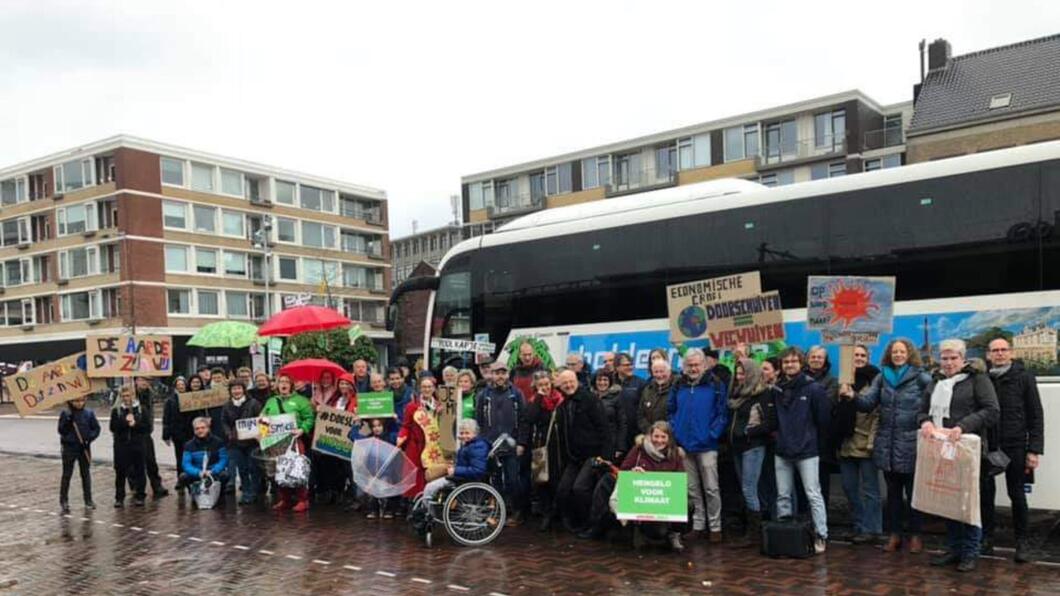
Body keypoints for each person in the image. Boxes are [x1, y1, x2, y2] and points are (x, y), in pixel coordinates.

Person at [841, 338, 931, 553]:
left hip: (912, 444)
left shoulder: (921, 378)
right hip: (888, 445)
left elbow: (932, 407)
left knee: (913, 495)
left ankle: (916, 536)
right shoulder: (882, 378)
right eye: (894, 352)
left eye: (901, 352)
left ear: (909, 354)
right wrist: (852, 395)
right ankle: (894, 535)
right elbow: (867, 404)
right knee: (892, 495)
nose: (898, 355)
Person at [921, 339, 1000, 573]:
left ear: (963, 359)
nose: (948, 362)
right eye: (944, 358)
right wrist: (925, 422)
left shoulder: (978, 379)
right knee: (949, 499)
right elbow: (921, 411)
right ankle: (954, 548)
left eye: (953, 357)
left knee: (968, 502)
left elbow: (991, 410)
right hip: (942, 450)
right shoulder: (935, 382)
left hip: (968, 450)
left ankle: (970, 551)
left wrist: (963, 426)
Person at [982, 337, 1045, 562]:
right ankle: (986, 539)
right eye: (995, 350)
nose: (999, 354)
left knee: (1017, 494)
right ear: (988, 355)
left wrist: (1034, 449)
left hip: (1016, 444)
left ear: (1011, 353)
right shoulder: (983, 378)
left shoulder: (1024, 377)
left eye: (1003, 350)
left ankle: (1022, 542)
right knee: (985, 494)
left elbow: (1035, 415)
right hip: (988, 445)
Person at [770, 347, 830, 554]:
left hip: (807, 451)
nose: (789, 365)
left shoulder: (813, 388)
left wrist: (813, 442)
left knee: (813, 495)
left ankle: (821, 535)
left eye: (793, 361)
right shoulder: (776, 388)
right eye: (786, 362)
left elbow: (823, 420)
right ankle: (785, 536)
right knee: (783, 495)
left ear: (801, 363)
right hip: (782, 450)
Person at [668, 348, 728, 543]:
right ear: (684, 366)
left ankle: (716, 527)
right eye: (689, 365)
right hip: (685, 446)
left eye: (696, 365)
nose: (693, 368)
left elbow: (722, 414)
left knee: (711, 488)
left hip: (707, 445)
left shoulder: (716, 384)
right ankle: (698, 525)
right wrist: (676, 435)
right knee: (692, 488)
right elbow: (671, 411)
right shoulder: (678, 384)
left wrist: (712, 434)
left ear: (704, 365)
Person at [833, 345, 883, 545]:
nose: (859, 358)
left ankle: (873, 529)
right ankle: (859, 525)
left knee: (871, 490)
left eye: (863, 355)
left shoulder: (875, 380)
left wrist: (872, 442)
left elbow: (878, 415)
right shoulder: (844, 381)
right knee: (849, 487)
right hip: (845, 443)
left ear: (869, 357)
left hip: (865, 443)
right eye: (855, 355)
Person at [727, 358, 777, 547]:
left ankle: (754, 533)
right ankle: (754, 528)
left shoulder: (762, 394)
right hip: (737, 447)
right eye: (738, 373)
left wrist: (748, 432)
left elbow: (770, 423)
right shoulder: (736, 394)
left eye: (743, 373)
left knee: (750, 489)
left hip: (752, 446)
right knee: (745, 488)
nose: (739, 377)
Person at [616, 421, 687, 551]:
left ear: (669, 438)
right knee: (657, 533)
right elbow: (623, 470)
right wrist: (633, 472)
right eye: (656, 436)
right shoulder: (639, 450)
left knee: (689, 505)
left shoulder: (675, 454)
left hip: (664, 502)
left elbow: (681, 480)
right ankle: (638, 529)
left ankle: (675, 533)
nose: (659, 440)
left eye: (663, 437)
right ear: (650, 436)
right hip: (643, 503)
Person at [554, 369, 607, 532]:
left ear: (577, 381)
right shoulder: (562, 406)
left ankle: (590, 523)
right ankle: (571, 521)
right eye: (565, 383)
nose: (569, 385)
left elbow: (604, 428)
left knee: (580, 488)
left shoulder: (590, 400)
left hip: (592, 455)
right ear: (560, 386)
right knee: (563, 489)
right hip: (573, 457)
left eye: (571, 382)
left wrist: (604, 456)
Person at [476, 360, 525, 525]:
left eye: (503, 373)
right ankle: (498, 512)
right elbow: (479, 421)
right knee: (494, 480)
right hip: (491, 445)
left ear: (508, 374)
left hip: (511, 444)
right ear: (492, 374)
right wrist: (483, 442)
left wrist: (521, 443)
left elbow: (524, 420)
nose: (500, 376)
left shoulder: (516, 394)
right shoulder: (484, 395)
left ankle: (517, 511)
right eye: (497, 373)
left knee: (513, 480)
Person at [261, 374, 316, 513]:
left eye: (286, 382)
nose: (283, 385)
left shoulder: (301, 401)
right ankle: (285, 499)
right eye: (281, 382)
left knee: (296, 469)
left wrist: (302, 429)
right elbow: (263, 418)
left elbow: (309, 418)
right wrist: (262, 427)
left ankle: (303, 499)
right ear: (277, 385)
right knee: (279, 470)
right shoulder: (271, 401)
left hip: (294, 439)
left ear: (291, 385)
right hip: (275, 441)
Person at [519, 371, 564, 532]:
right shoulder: (533, 401)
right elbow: (530, 418)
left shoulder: (560, 398)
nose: (545, 387)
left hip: (558, 445)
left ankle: (557, 512)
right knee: (541, 481)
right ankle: (546, 513)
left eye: (546, 384)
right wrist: (539, 397)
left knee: (557, 480)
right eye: (541, 385)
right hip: (540, 445)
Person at [421, 419, 489, 503]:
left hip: (464, 480)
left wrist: (456, 470)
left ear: (475, 433)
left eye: (467, 433)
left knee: (430, 487)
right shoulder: (470, 445)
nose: (464, 436)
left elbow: (478, 470)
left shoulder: (477, 447)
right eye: (462, 433)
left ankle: (428, 511)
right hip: (462, 478)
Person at [805, 346, 838, 509]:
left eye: (820, 357)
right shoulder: (799, 378)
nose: (816, 359)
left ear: (825, 361)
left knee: (820, 482)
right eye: (813, 356)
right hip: (801, 438)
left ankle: (821, 519)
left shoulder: (832, 381)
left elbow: (828, 405)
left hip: (821, 439)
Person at [397, 376, 441, 499]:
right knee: (415, 476)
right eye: (424, 387)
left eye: (429, 387)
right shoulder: (412, 406)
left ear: (434, 389)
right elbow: (405, 426)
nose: (427, 389)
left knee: (432, 475)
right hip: (416, 446)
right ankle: (414, 503)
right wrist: (401, 437)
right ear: (419, 389)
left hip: (433, 447)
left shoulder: (440, 406)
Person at [221, 380, 262, 505]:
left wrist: (257, 434)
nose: (236, 391)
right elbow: (224, 422)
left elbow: (260, 419)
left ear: (243, 390)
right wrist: (229, 434)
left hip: (252, 442)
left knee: (253, 468)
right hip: (235, 443)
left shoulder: (254, 403)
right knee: (242, 469)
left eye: (239, 388)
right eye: (234, 389)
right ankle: (247, 493)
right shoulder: (227, 406)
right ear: (230, 391)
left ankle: (254, 492)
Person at [58, 396, 100, 513]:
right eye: (76, 401)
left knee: (85, 474)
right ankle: (64, 500)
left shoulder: (89, 414)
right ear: (71, 401)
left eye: (82, 401)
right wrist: (67, 421)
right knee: (67, 474)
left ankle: (88, 500)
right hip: (69, 448)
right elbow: (61, 431)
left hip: (84, 447)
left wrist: (89, 439)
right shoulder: (66, 413)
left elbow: (96, 429)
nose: (79, 403)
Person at [111, 385, 149, 508]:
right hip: (121, 445)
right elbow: (113, 427)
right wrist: (124, 421)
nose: (126, 398)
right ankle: (119, 497)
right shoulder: (116, 410)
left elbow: (147, 427)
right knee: (120, 472)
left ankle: (140, 496)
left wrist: (135, 424)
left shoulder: (141, 409)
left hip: (138, 444)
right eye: (124, 396)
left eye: (129, 395)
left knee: (140, 470)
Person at [179, 417, 230, 508]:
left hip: (213, 471)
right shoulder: (188, 445)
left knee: (225, 475)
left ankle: (220, 494)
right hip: (198, 473)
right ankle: (194, 493)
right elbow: (186, 464)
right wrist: (198, 473)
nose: (200, 430)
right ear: (194, 430)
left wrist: (213, 470)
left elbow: (223, 459)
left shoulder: (218, 442)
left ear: (208, 428)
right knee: (183, 477)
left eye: (203, 428)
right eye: (197, 429)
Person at [134, 376, 169, 499]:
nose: (145, 383)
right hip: (132, 433)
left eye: (147, 380)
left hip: (146, 432)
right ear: (136, 380)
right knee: (133, 463)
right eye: (142, 380)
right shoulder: (129, 392)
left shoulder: (149, 394)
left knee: (151, 461)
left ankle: (156, 485)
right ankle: (135, 487)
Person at [361, 418, 398, 519]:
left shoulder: (389, 437)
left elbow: (399, 436)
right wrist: (357, 423)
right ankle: (373, 510)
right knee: (372, 491)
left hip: (386, 470)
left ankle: (388, 510)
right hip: (372, 470)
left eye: (379, 426)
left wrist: (396, 420)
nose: (377, 428)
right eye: (374, 426)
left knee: (387, 490)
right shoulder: (369, 439)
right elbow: (353, 436)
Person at [162, 379, 195, 494]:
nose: (181, 386)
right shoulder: (170, 401)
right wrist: (166, 435)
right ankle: (180, 480)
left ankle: (191, 479)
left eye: (183, 384)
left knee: (191, 457)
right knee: (180, 458)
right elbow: (166, 418)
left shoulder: (192, 397)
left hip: (190, 432)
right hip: (178, 434)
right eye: (178, 385)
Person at [591, 370, 627, 464]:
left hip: (611, 443)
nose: (602, 382)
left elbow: (622, 423)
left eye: (605, 380)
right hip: (593, 444)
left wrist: (620, 447)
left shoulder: (617, 398)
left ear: (610, 381)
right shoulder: (589, 397)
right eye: (599, 380)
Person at [614, 353, 647, 451]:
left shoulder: (641, 383)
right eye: (626, 365)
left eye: (631, 364)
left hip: (634, 433)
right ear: (617, 367)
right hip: (616, 433)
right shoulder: (610, 382)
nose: (630, 367)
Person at [637, 359, 674, 436]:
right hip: (650, 435)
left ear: (669, 372)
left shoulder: (676, 389)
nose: (659, 375)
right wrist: (651, 430)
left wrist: (664, 431)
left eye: (662, 371)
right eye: (656, 372)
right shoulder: (647, 390)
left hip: (670, 436)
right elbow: (640, 415)